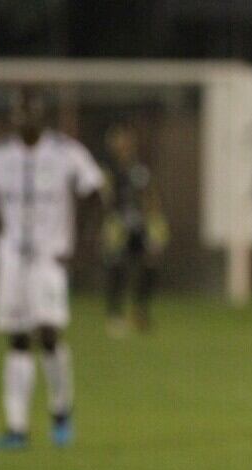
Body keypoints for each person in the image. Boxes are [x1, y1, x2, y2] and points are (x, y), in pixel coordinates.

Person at [0, 88, 104, 450]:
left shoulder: (66, 152)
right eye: (20, 112)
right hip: (12, 257)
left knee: (49, 333)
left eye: (32, 111)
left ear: (43, 115)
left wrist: (83, 245)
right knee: (18, 338)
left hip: (49, 256)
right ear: (13, 115)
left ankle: (60, 411)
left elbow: (96, 194)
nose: (25, 118)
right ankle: (17, 427)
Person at [100, 122, 168, 336]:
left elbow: (151, 196)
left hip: (140, 226)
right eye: (117, 140)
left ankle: (140, 311)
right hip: (117, 226)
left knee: (149, 265)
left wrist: (155, 223)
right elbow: (103, 199)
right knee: (117, 268)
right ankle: (115, 315)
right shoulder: (108, 171)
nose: (122, 144)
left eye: (125, 139)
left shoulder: (139, 169)